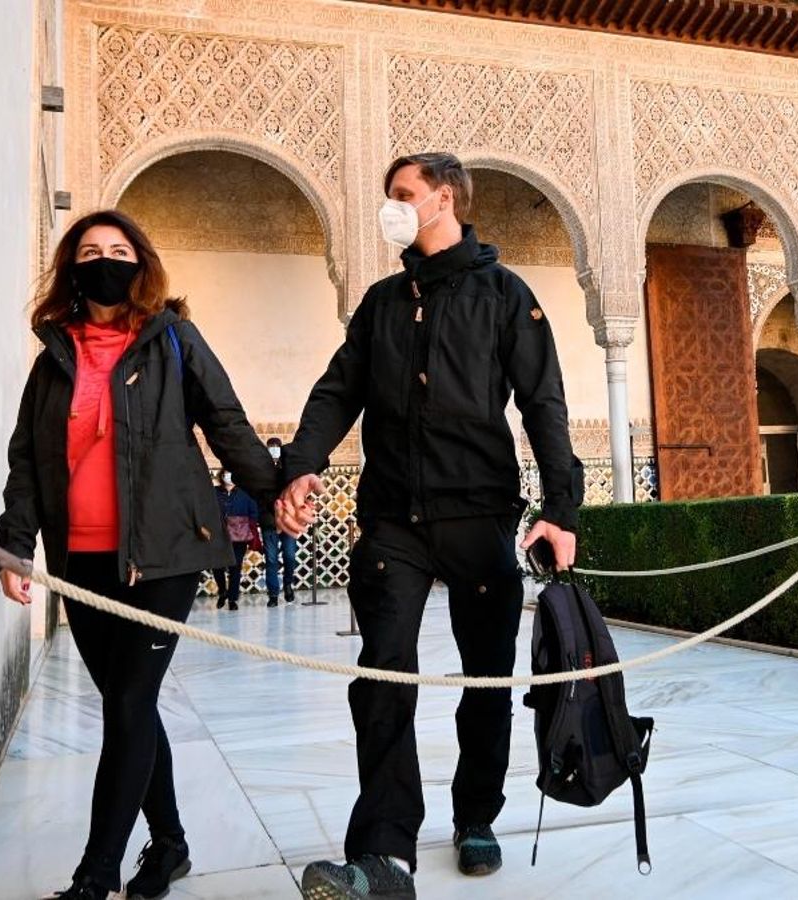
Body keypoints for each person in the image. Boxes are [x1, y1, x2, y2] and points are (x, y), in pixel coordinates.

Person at [276, 152, 583, 900]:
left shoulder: (506, 296)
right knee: (382, 674)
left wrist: (562, 510)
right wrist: (303, 463)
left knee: (486, 680)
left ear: (444, 199)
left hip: (480, 515)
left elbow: (543, 404)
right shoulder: (382, 302)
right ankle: (384, 852)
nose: (394, 206)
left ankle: (476, 815)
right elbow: (335, 390)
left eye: (404, 195)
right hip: (392, 522)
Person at [0, 209, 280, 900]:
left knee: (127, 704)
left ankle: (95, 877)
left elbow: (226, 419)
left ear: (141, 263)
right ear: (72, 267)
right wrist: (14, 543)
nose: (104, 260)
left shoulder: (172, 337)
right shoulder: (54, 355)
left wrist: (273, 497)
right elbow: (30, 457)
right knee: (133, 709)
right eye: (90, 250)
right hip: (81, 562)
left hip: (163, 556)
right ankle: (173, 845)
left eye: (118, 250)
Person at [260, 437, 301, 606]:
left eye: (277, 447)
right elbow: (260, 497)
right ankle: (273, 595)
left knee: (290, 555)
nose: (274, 449)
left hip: (288, 520)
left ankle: (288, 584)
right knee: (271, 559)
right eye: (271, 447)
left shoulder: (288, 467)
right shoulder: (261, 469)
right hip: (269, 522)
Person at [212, 470, 260, 610]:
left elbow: (253, 512)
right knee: (217, 567)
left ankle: (233, 599)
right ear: (221, 476)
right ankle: (222, 592)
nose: (229, 476)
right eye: (226, 473)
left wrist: (246, 525)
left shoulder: (245, 493)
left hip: (239, 537)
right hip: (219, 536)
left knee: (235, 567)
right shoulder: (214, 492)